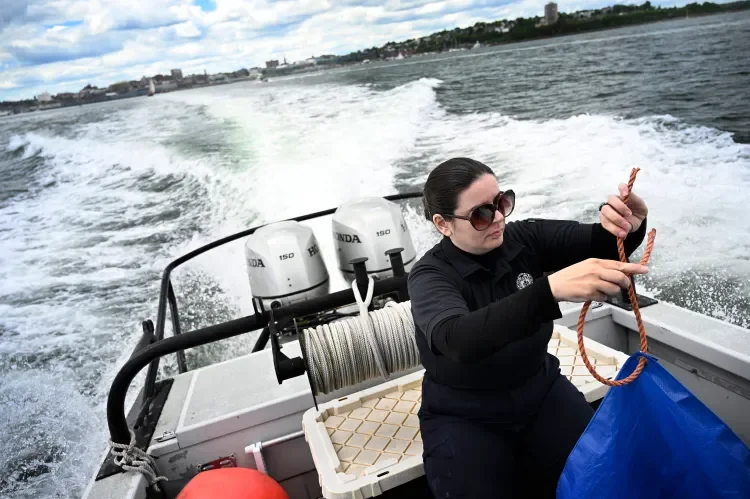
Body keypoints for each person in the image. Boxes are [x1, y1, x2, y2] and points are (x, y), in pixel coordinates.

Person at [408, 157, 650, 498]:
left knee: (604, 474)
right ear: (443, 224)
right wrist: (548, 290)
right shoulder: (430, 275)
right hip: (465, 413)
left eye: (501, 202)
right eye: (481, 214)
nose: (499, 218)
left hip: (541, 392)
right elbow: (457, 338)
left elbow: (603, 243)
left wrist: (631, 223)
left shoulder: (525, 238)